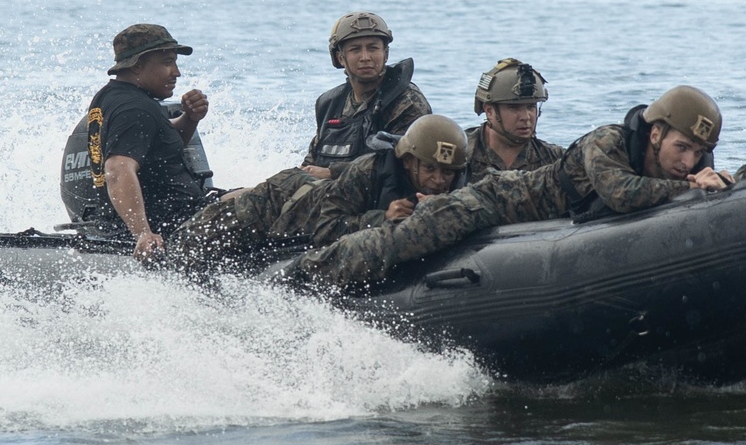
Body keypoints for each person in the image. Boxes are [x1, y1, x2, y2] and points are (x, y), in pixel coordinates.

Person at [274, 85, 731, 291]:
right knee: (412, 235)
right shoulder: (607, 141)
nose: (689, 162)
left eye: (697, 154)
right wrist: (689, 190)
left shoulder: (685, 170)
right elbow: (621, 195)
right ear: (655, 134)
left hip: (549, 226)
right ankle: (312, 271)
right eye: (682, 148)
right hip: (499, 200)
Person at [166, 114, 468, 271]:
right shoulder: (369, 171)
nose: (439, 180)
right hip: (285, 200)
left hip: (309, 201)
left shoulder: (454, 181)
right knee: (194, 240)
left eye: (447, 172)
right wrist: (380, 218)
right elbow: (327, 227)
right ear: (409, 161)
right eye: (430, 170)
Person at [85, 23, 216, 260]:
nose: (176, 72)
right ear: (137, 65)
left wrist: (190, 118)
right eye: (167, 63)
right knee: (286, 191)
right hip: (178, 222)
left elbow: (157, 146)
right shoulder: (135, 109)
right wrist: (143, 234)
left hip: (171, 215)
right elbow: (117, 168)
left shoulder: (112, 96)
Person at [301, 11, 432, 180]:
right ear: (341, 58)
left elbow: (402, 165)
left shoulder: (407, 102)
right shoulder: (330, 104)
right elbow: (311, 161)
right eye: (355, 50)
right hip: (326, 195)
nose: (365, 57)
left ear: (386, 54)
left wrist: (332, 173)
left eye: (373, 48)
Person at [466, 58, 564, 181]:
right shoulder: (461, 153)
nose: (526, 117)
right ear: (489, 111)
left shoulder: (555, 160)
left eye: (531, 107)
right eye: (514, 108)